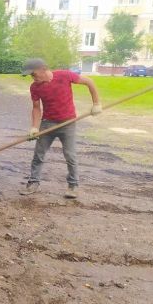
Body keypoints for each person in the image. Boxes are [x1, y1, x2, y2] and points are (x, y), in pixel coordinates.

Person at [20, 58, 102, 199]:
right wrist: (34, 127)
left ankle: (73, 186)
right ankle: (33, 182)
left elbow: (89, 82)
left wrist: (96, 104)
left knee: (70, 155)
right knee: (38, 155)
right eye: (30, 76)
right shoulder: (35, 87)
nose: (32, 78)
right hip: (48, 124)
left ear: (43, 68)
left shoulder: (64, 76)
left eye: (33, 74)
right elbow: (36, 108)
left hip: (68, 123)